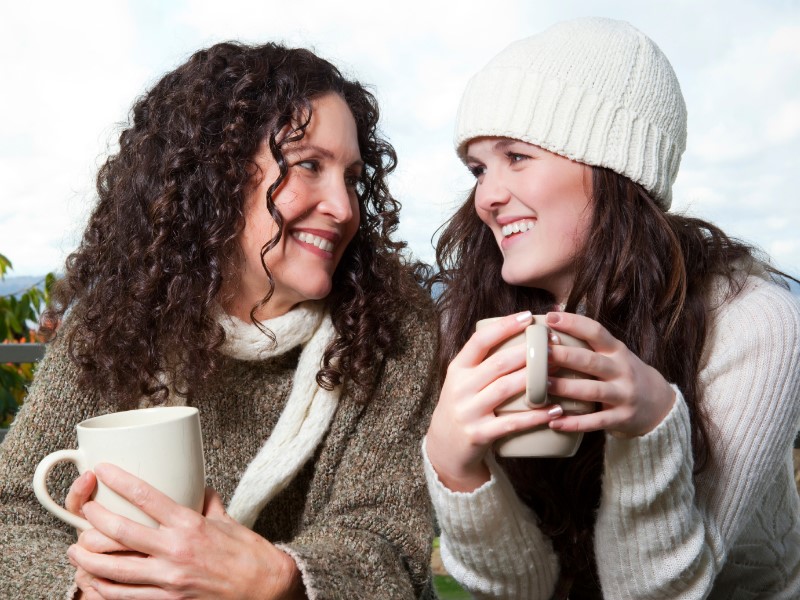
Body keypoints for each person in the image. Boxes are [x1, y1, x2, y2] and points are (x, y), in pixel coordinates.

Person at [0, 41, 438, 599]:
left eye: (352, 177)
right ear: (218, 177)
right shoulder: (115, 321)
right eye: (309, 165)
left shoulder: (390, 327)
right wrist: (98, 590)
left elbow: (388, 547)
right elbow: (11, 513)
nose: (344, 206)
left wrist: (276, 580)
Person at [423, 17, 800, 599]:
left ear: (615, 168)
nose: (487, 197)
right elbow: (517, 593)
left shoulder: (750, 320)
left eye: (517, 157)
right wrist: (456, 468)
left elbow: (662, 594)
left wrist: (651, 427)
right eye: (478, 169)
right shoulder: (469, 319)